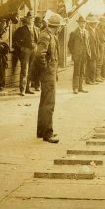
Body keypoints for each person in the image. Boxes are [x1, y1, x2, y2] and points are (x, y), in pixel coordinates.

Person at [36, 13, 64, 143]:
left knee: (44, 102)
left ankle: (42, 131)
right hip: (48, 73)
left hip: (50, 73)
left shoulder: (50, 35)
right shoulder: (46, 36)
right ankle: (48, 133)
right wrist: (46, 70)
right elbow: (39, 55)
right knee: (49, 104)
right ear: (56, 27)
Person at [12, 11, 40, 96]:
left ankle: (28, 88)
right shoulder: (21, 29)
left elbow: (38, 40)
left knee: (31, 70)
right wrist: (21, 48)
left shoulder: (37, 29)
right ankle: (22, 90)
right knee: (24, 70)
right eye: (29, 18)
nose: (31, 20)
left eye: (32, 18)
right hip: (25, 52)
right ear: (26, 19)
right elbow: (15, 40)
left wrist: (36, 47)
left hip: (34, 51)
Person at [68, 16, 90, 94]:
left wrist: (88, 53)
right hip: (77, 55)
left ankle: (81, 87)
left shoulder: (87, 32)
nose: (83, 24)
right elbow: (70, 45)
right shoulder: (74, 33)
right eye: (81, 22)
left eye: (84, 22)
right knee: (76, 72)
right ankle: (75, 88)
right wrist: (74, 53)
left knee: (82, 72)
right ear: (78, 23)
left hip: (84, 55)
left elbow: (88, 44)